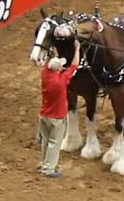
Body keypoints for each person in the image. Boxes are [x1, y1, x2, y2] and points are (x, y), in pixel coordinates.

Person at [38, 42, 80, 177]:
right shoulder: (60, 81)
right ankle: (48, 169)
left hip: (44, 115)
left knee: (46, 141)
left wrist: (54, 53)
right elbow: (74, 65)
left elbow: (49, 64)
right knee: (55, 143)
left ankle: (45, 163)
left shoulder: (45, 74)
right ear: (57, 69)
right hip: (56, 118)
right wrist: (77, 48)